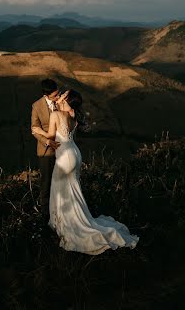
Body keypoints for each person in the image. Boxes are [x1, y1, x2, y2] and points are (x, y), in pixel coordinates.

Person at [32, 89, 139, 255]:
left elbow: (51, 136)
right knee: (72, 190)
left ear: (66, 100)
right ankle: (75, 219)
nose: (59, 96)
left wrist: (38, 131)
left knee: (60, 190)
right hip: (75, 153)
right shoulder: (73, 115)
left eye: (63, 95)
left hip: (65, 156)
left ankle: (65, 224)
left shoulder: (56, 115)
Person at [31, 78, 61, 218]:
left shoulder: (61, 102)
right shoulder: (36, 106)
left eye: (58, 93)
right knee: (46, 182)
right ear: (46, 95)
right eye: (54, 95)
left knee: (61, 181)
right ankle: (45, 213)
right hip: (46, 151)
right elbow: (34, 128)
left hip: (63, 148)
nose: (58, 97)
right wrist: (47, 142)